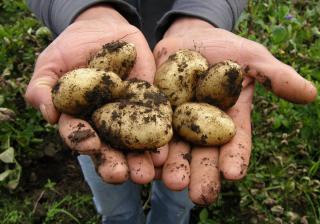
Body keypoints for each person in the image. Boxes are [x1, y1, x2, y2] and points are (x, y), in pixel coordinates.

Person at [25, 1, 317, 223]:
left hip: (186, 49)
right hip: (88, 65)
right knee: (108, 180)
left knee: (179, 189)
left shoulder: (178, 103)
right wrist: (87, 10)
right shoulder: (108, 90)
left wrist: (201, 13)